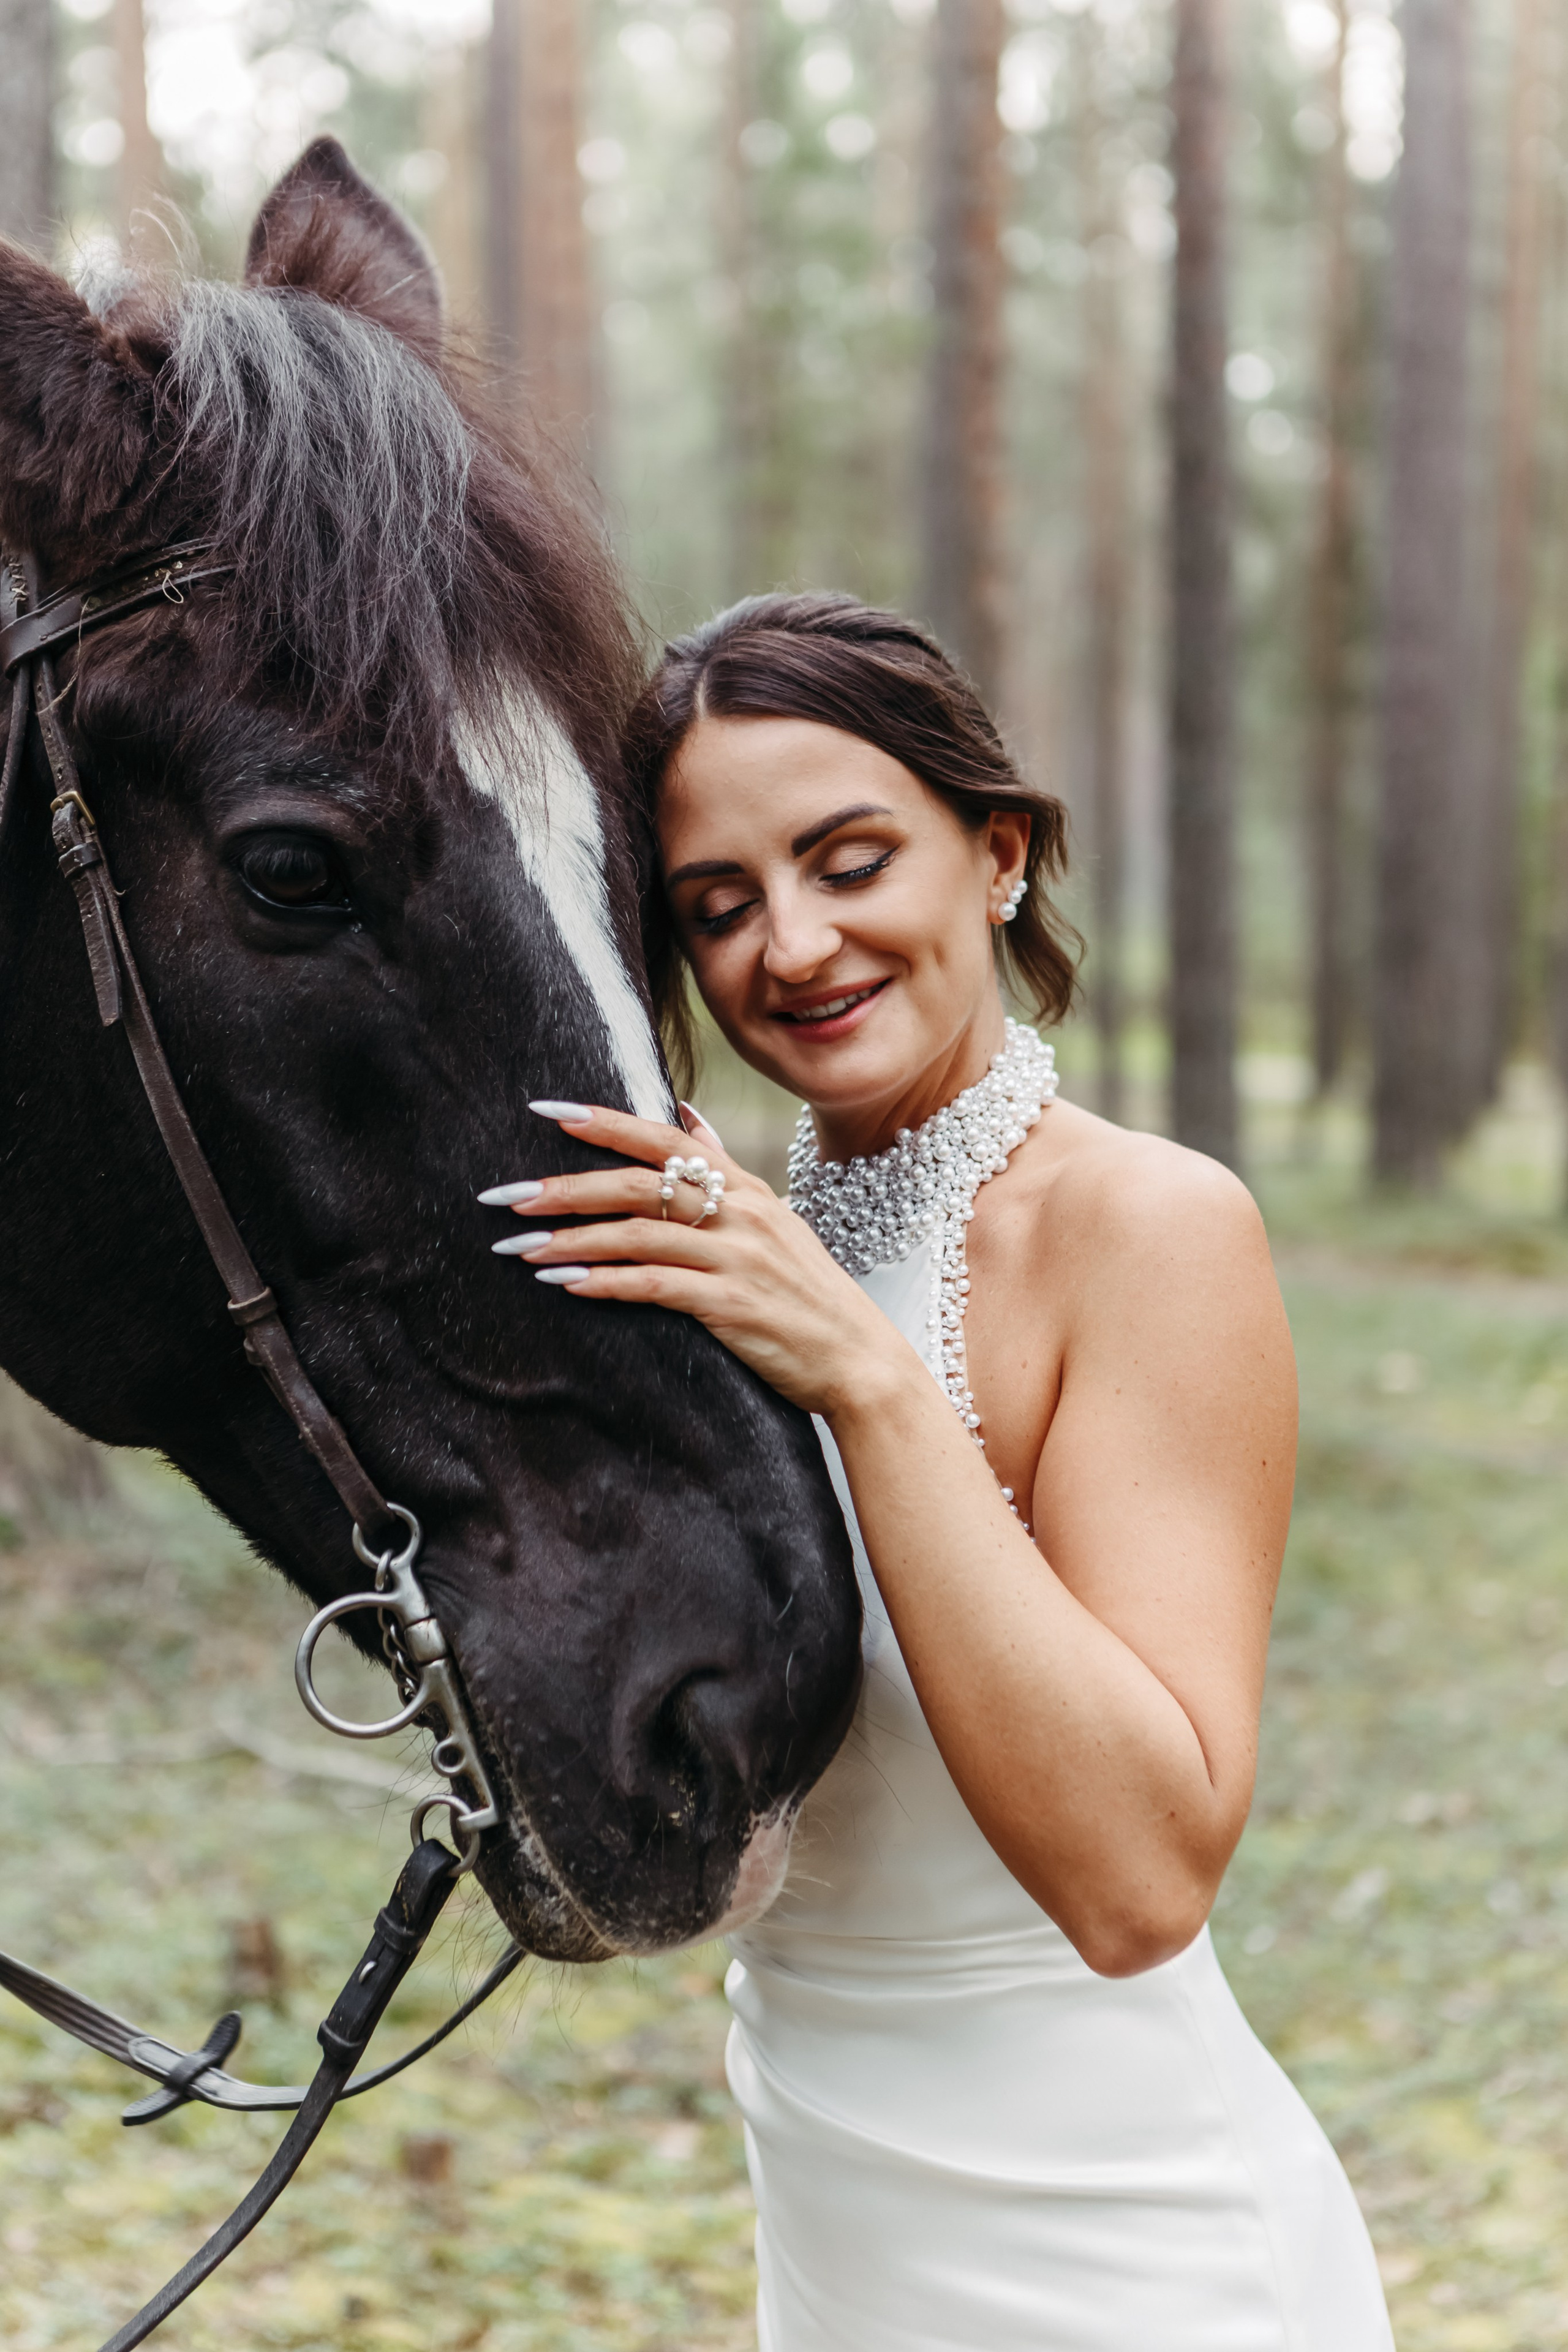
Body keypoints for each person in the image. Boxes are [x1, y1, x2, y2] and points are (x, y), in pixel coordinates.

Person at [483, 594, 1393, 2351]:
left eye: (849, 860)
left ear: (997, 854)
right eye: (719, 906)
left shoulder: (1147, 1230)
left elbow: (1143, 1882)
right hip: (840, 2247)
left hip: (1139, 2259)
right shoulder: (732, 1262)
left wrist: (868, 1379)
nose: (794, 947)